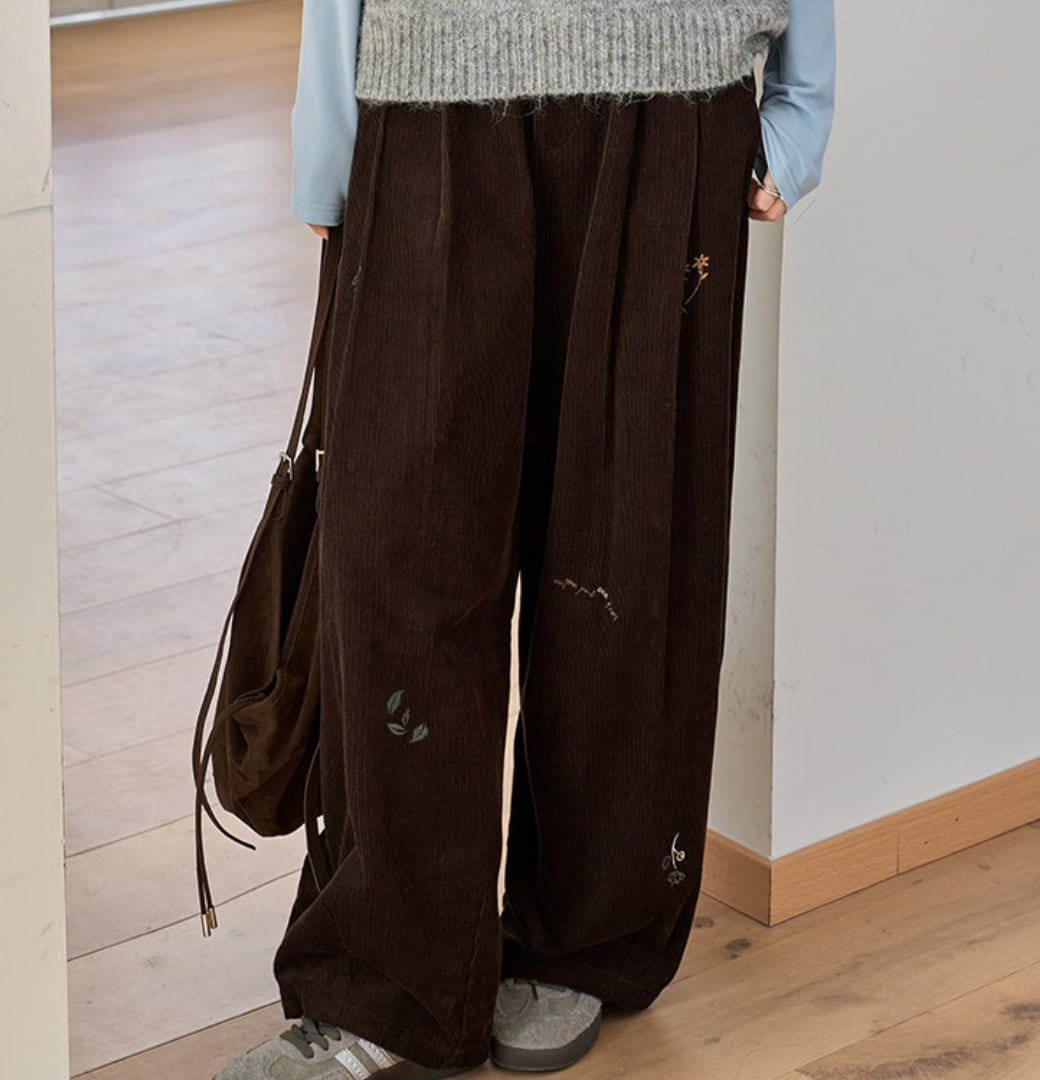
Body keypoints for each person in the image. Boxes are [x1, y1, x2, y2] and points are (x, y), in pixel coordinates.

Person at [214, 2, 835, 1078]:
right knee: (403, 563)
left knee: (628, 556)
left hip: (673, 106)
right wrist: (329, 143)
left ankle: (586, 938)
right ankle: (387, 980)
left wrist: (803, 105)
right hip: (429, 104)